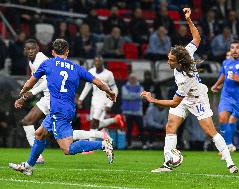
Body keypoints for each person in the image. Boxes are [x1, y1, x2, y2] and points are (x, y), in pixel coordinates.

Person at [141, 8, 238, 174]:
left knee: (210, 131)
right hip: (183, 98)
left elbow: (174, 102)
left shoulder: (185, 77)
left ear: (178, 61)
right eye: (168, 58)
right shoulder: (186, 53)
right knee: (170, 126)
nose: (168, 62)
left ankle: (230, 163)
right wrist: (188, 19)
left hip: (196, 98)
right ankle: (166, 165)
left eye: (171, 60)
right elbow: (197, 38)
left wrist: (153, 100)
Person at [9, 39, 116, 176]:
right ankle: (28, 166)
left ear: (53, 52)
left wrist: (22, 94)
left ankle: (103, 144)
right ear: (67, 52)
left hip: (59, 111)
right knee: (40, 134)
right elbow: (98, 83)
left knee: (67, 148)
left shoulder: (47, 63)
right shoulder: (76, 67)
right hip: (66, 109)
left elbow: (30, 83)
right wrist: (110, 92)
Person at [77, 56, 123, 132]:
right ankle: (114, 121)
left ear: (102, 62)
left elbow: (115, 89)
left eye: (99, 61)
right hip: (94, 100)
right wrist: (81, 99)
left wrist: (109, 104)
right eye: (96, 61)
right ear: (94, 63)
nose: (97, 63)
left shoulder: (108, 74)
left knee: (94, 123)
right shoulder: (91, 72)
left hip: (104, 101)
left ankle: (91, 142)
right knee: (98, 126)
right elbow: (87, 87)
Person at [121, 74, 146, 149]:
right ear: (128, 79)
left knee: (141, 129)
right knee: (129, 129)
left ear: (136, 79)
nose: (132, 80)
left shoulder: (140, 87)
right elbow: (125, 96)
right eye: (131, 78)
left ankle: (144, 144)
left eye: (134, 78)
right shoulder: (124, 87)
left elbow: (141, 96)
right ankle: (129, 144)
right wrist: (136, 96)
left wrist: (131, 95)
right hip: (127, 112)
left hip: (138, 112)